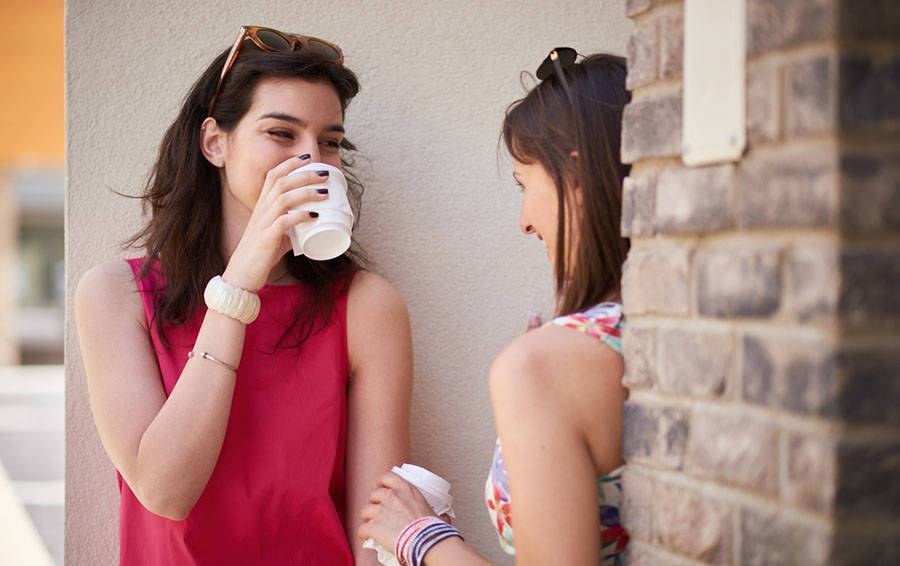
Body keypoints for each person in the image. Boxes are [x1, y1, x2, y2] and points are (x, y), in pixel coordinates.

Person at [74, 26, 412, 565]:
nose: (312, 158)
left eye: (330, 141)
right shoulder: (117, 296)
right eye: (282, 133)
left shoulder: (367, 307)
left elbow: (377, 539)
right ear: (215, 142)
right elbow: (165, 490)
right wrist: (241, 281)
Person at [358, 50, 631, 565]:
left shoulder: (545, 364)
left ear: (575, 177)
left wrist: (421, 538)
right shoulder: (670, 326)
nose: (524, 221)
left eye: (525, 184)